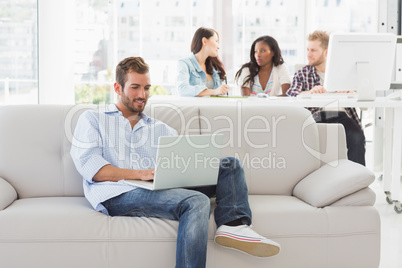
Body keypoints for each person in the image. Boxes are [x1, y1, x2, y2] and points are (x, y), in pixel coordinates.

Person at [70, 56, 280, 268]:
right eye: (135, 87)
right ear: (117, 87)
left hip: (156, 188)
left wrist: (192, 166)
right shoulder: (93, 119)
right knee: (197, 201)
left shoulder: (160, 128)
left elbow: (176, 164)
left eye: (146, 88)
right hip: (117, 194)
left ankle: (233, 224)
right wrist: (139, 174)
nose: (142, 95)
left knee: (230, 166)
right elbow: (92, 168)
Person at [286, 30, 366, 166]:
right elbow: (292, 94)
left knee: (356, 137)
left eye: (313, 50)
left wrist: (351, 93)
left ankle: (358, 179)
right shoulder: (302, 73)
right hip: (316, 117)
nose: (308, 54)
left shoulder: (344, 72)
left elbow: (364, 98)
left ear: (326, 52)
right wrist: (309, 93)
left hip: (343, 116)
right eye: (307, 50)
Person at [176, 27, 230, 97]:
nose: (218, 47)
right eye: (216, 41)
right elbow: (183, 90)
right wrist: (214, 92)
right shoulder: (184, 63)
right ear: (204, 41)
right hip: (195, 107)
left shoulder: (214, 67)